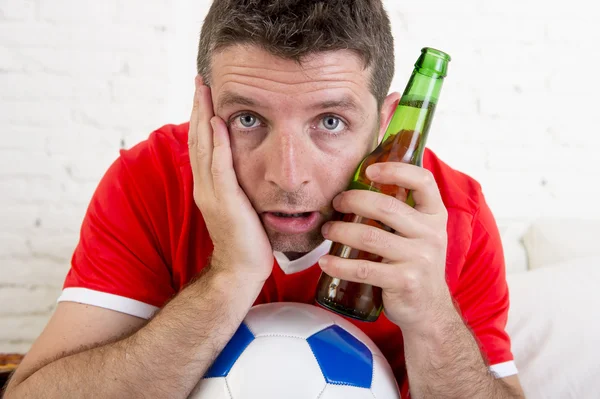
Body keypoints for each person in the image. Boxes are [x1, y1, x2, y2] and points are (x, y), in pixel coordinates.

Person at [4, 1, 525, 398]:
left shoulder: (451, 216)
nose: (288, 175)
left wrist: (433, 318)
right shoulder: (151, 180)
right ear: (202, 106)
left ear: (387, 121)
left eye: (330, 121)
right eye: (248, 119)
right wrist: (229, 278)